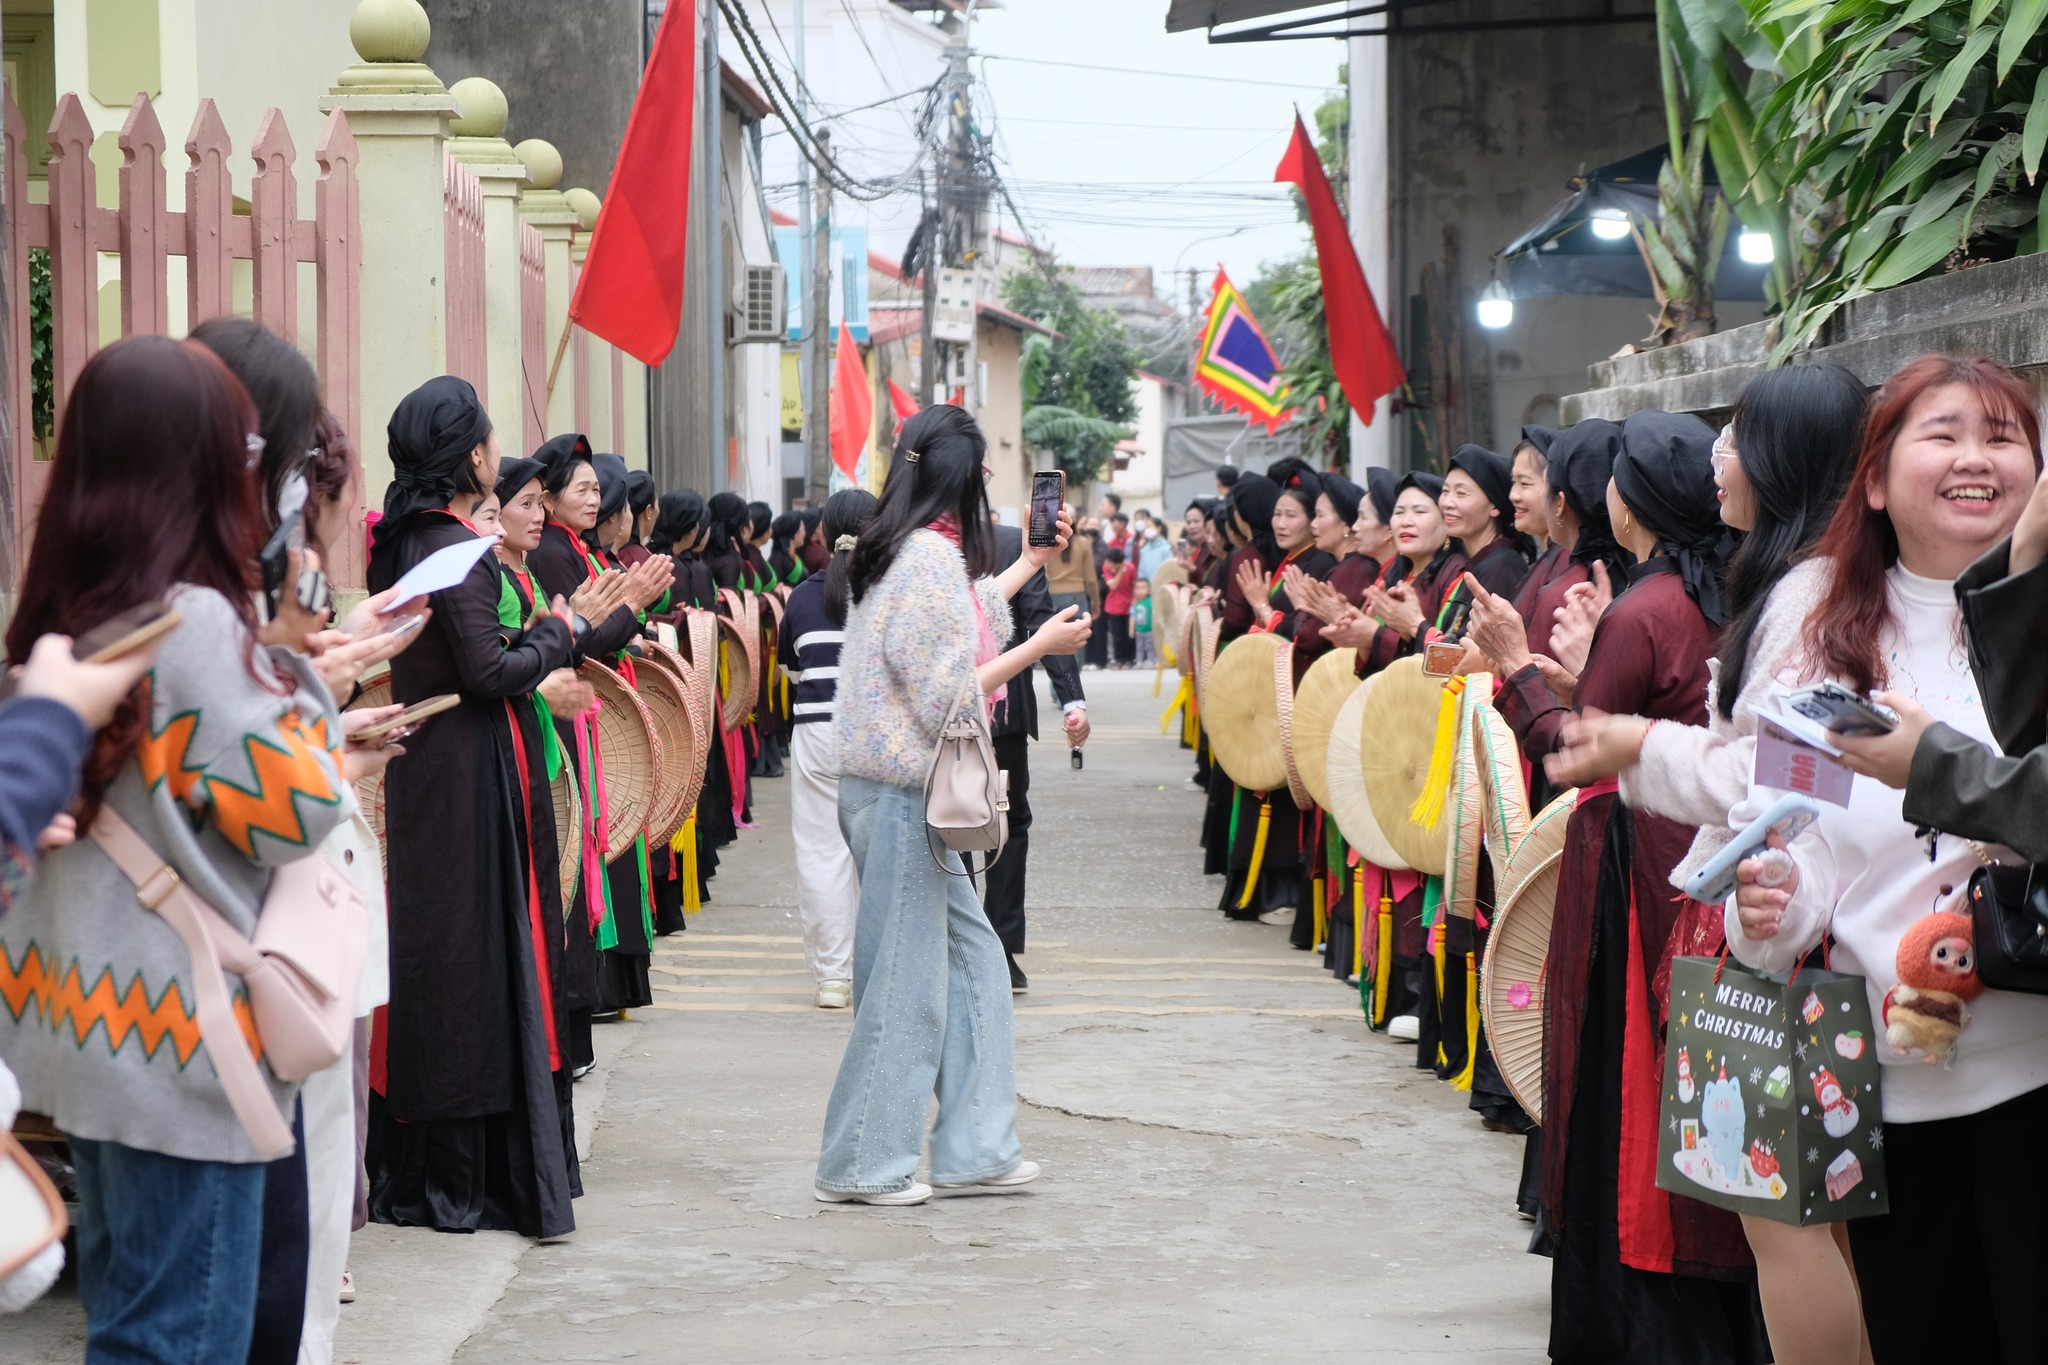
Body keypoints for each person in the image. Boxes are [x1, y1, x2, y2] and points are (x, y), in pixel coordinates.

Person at [0, 337, 349, 1360]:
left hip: (82, 1036)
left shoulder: (64, 608)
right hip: (179, 1051)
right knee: (178, 1342)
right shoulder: (191, 623)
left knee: (133, 1327)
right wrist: (296, 670)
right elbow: (300, 812)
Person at [1728, 354, 2048, 1365]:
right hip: (1886, 1079)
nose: (1974, 458)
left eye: (2001, 437)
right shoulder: (1817, 633)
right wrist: (1767, 904)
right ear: (1871, 480)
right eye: (1942, 433)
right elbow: (1795, 833)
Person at [1492, 410, 1762, 1363]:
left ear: (1630, 496)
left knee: (1626, 1092)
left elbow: (1572, 749)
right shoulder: (1717, 594)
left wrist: (1513, 668)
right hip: (1696, 864)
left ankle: (1633, 1327)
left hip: (1634, 874)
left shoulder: (1644, 609)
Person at [815, 404, 1091, 1207]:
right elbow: (947, 698)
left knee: (975, 969)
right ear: (958, 479)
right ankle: (862, 1161)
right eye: (982, 474)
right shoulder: (926, 562)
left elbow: (965, 614)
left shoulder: (904, 551)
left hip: (893, 795)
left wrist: (1032, 562)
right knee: (907, 985)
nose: (992, 489)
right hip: (902, 796)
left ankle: (975, 1148)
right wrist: (1038, 649)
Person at [362, 378, 584, 1246]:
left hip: (436, 770)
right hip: (466, 770)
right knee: (474, 959)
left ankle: (431, 1169)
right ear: (473, 457)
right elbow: (488, 672)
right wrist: (560, 632)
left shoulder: (404, 541)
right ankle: (466, 1180)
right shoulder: (452, 548)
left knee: (444, 954)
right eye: (490, 442)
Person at [985, 516, 1090, 994]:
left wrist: (1072, 700)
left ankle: (966, 947)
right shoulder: (1010, 541)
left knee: (946, 823)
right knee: (1004, 827)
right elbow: (1039, 622)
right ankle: (997, 950)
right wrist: (1072, 700)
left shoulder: (912, 539)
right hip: (998, 712)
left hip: (944, 716)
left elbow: (1040, 625)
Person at [781, 489, 877, 1009]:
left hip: (817, 733)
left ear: (821, 531)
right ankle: (878, 968)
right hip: (876, 734)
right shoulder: (889, 589)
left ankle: (833, 978)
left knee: (822, 853)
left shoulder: (800, 598)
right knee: (878, 853)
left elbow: (791, 671)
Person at [1102, 548, 1137, 667]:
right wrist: (1120, 572)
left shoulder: (1131, 568)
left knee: (1129, 634)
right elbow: (1113, 585)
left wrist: (1135, 601)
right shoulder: (1106, 568)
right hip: (1113, 606)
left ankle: (1129, 659)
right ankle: (1118, 659)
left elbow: (1135, 585)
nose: (1107, 563)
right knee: (1117, 635)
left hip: (1129, 605)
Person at [1131, 578, 1156, 669]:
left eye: (1143, 588)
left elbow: (1154, 614)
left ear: (1148, 590)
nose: (1139, 591)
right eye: (1137, 588)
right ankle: (1139, 661)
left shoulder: (1150, 601)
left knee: (1150, 647)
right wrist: (1131, 629)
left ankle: (1151, 660)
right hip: (1139, 630)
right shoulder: (1135, 603)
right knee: (1139, 647)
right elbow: (1132, 616)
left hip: (1149, 629)